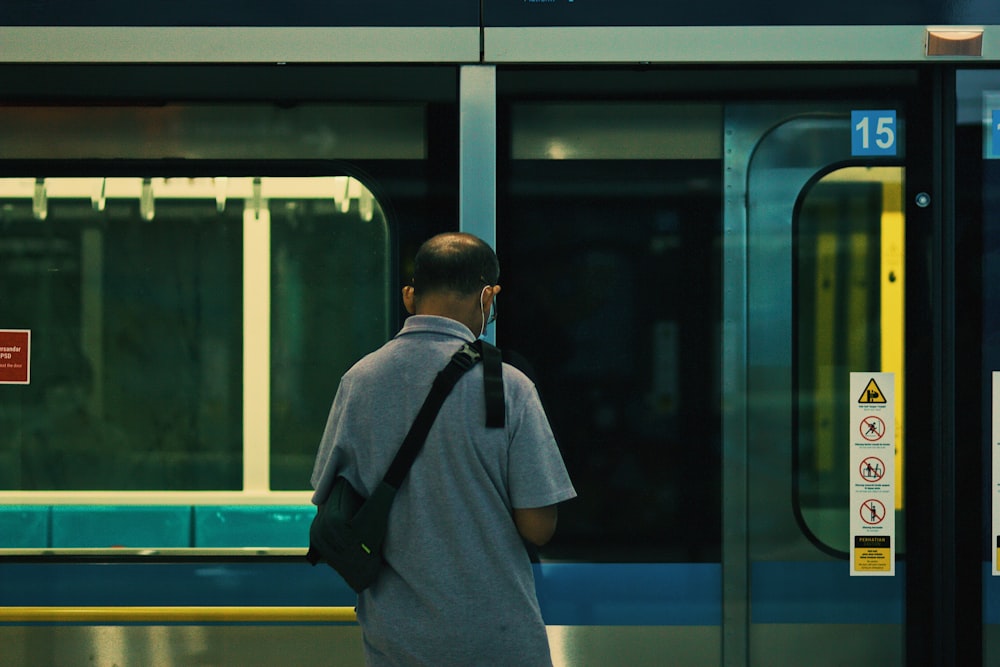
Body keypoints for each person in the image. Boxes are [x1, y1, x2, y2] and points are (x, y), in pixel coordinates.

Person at [311, 232, 576, 666]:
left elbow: (334, 502)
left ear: (409, 296)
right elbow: (537, 526)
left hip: (398, 642)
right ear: (488, 297)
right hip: (498, 639)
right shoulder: (509, 387)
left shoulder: (359, 382)